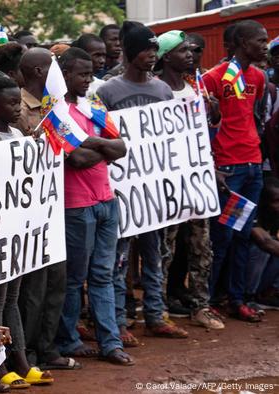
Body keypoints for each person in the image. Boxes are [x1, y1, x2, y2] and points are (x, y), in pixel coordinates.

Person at [98, 23, 189, 343]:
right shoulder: (107, 91)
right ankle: (120, 320)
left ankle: (155, 314)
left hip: (154, 190)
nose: (152, 55)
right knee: (118, 259)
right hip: (121, 188)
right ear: (129, 52)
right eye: (145, 49)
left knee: (155, 255)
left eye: (154, 49)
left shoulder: (163, 90)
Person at [54, 47, 132, 366]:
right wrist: (103, 146)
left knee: (102, 273)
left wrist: (91, 144)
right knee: (74, 278)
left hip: (105, 200)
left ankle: (110, 342)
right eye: (82, 74)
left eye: (90, 74)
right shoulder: (55, 111)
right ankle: (69, 340)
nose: (88, 79)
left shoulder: (94, 104)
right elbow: (76, 158)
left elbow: (121, 146)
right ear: (66, 74)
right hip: (75, 205)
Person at [0, 76, 53, 388]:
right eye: (10, 103)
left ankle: (21, 359)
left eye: (18, 102)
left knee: (12, 298)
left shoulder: (16, 133)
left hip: (17, 234)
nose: (16, 109)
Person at [15, 47, 79, 372]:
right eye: (53, 65)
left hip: (52, 203)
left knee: (57, 281)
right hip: (29, 212)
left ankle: (48, 347)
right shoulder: (20, 106)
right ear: (40, 71)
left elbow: (73, 148)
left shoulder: (55, 107)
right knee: (33, 290)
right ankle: (29, 353)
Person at [156, 30, 224, 330]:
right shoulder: (156, 90)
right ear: (166, 56)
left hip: (197, 176)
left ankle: (200, 305)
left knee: (201, 245)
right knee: (165, 248)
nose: (190, 55)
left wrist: (214, 116)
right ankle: (158, 310)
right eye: (183, 50)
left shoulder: (194, 87)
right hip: (170, 180)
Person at [203, 20, 268, 322]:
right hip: (229, 168)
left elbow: (253, 117)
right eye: (260, 40)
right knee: (223, 236)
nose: (265, 46)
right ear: (243, 42)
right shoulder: (215, 78)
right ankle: (210, 298)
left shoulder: (258, 77)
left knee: (243, 235)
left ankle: (236, 298)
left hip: (252, 165)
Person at [247, 177, 279, 309]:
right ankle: (248, 297)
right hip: (238, 273)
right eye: (276, 201)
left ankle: (268, 294)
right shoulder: (249, 208)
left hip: (260, 273)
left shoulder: (274, 212)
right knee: (262, 250)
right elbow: (264, 242)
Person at [72, 33, 107, 98]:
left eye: (104, 55)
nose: (102, 61)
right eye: (97, 55)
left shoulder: (103, 86)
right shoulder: (65, 88)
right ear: (82, 54)